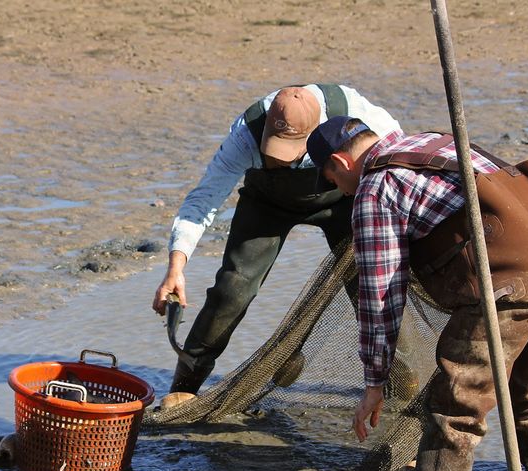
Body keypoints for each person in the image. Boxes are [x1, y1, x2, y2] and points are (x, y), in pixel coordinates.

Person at [306, 116, 528, 471]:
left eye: (330, 179)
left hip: (510, 282)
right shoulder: (432, 141)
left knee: (456, 400)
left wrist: (374, 382)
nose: (336, 189)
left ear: (339, 161)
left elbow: (380, 296)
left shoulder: (375, 188)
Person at [151, 84, 401, 394]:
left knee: (373, 286)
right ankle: (185, 387)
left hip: (342, 197)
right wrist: (175, 268)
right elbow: (204, 199)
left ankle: (402, 381)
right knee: (232, 289)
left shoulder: (353, 111)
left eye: (289, 152)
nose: (280, 160)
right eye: (274, 151)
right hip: (267, 203)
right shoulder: (245, 134)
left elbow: (395, 155)